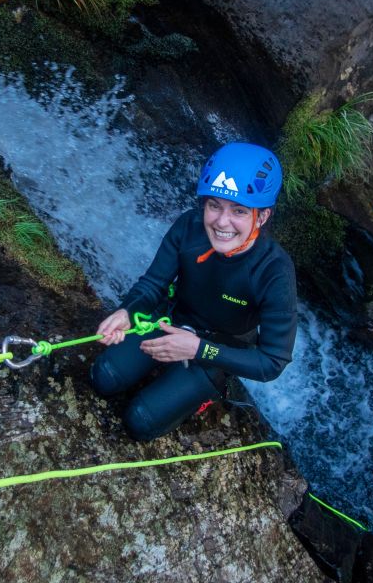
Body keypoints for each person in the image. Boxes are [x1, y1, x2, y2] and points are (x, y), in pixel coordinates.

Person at [89, 142, 298, 441]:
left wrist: (200, 349)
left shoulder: (274, 271)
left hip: (216, 350)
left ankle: (207, 393)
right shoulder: (189, 227)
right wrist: (128, 311)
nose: (221, 222)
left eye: (239, 211)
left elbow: (272, 362)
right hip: (171, 320)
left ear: (262, 217)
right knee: (104, 376)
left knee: (141, 421)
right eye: (214, 205)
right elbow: (153, 284)